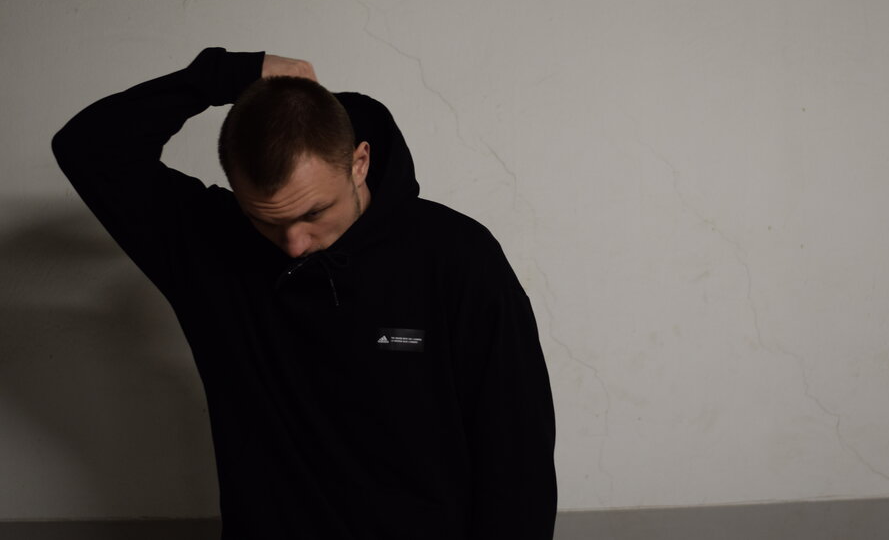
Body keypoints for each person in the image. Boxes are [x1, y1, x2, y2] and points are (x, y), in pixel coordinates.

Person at [52, 47, 557, 539]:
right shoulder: (210, 248)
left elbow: (517, 454)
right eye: (265, 220)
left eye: (314, 213)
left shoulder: (456, 256)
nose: (293, 244)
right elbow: (89, 147)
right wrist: (225, 75)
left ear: (359, 162)